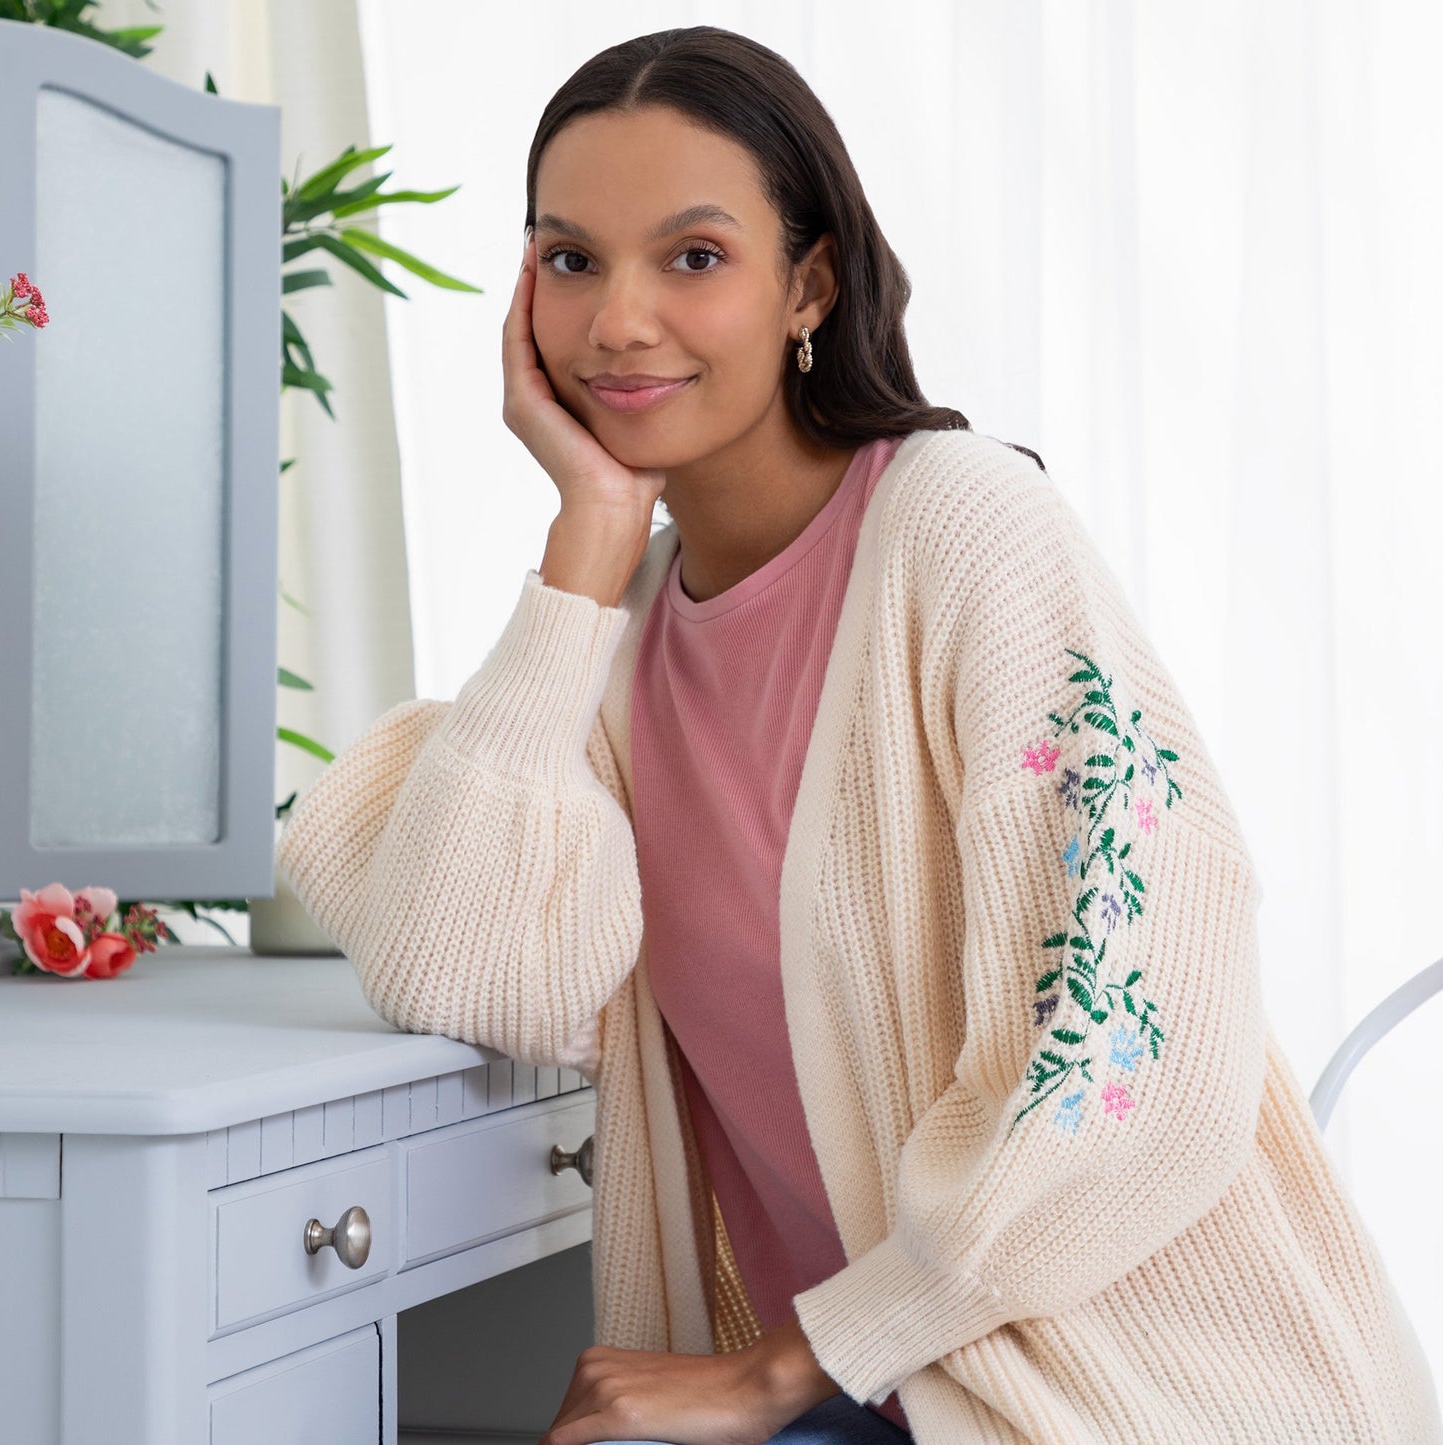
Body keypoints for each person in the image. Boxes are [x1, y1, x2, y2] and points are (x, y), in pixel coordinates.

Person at [275, 24, 1443, 1445]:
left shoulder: (961, 531)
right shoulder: (615, 638)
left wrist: (785, 1364)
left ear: (806, 282)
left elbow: (1139, 1032)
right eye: (571, 259)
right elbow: (465, 965)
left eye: (691, 257)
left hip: (1127, 1392)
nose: (617, 321)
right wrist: (586, 532)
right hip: (860, 1389)